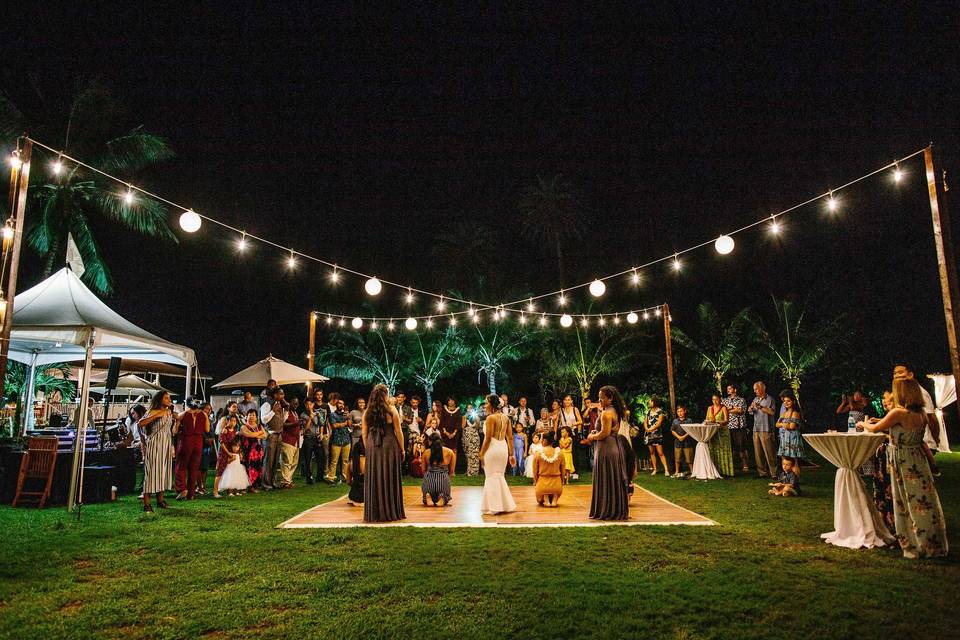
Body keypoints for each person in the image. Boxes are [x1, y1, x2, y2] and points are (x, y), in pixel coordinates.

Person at [859, 377, 948, 558]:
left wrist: (863, 423)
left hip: (902, 461)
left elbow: (874, 429)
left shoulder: (898, 413)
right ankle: (931, 542)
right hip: (917, 460)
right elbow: (903, 432)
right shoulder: (921, 414)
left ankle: (913, 544)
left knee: (905, 501)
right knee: (923, 499)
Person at [362, 384, 406, 523]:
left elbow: (364, 433)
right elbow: (398, 431)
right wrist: (403, 449)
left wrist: (368, 448)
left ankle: (374, 513)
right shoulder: (391, 410)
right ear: (385, 395)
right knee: (389, 475)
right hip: (389, 444)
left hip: (372, 445)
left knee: (375, 476)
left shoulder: (367, 412)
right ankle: (391, 511)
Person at [587, 385, 630, 521]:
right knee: (613, 478)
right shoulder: (615, 410)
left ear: (610, 398)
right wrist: (596, 432)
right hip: (613, 447)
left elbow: (604, 434)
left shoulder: (606, 413)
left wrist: (592, 436)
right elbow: (610, 430)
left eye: (602, 398)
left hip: (606, 449)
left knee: (606, 478)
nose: (599, 400)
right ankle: (615, 509)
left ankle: (607, 510)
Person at [893, 363, 942, 475]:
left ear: (910, 374)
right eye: (895, 373)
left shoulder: (919, 394)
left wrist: (936, 438)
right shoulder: (903, 394)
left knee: (917, 477)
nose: (896, 376)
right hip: (909, 444)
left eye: (900, 372)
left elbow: (931, 418)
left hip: (921, 444)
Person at [137, 391, 176, 512]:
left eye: (169, 398)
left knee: (163, 472)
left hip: (166, 444)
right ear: (160, 400)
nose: (169, 400)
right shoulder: (152, 412)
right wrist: (157, 415)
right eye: (166, 398)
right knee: (152, 472)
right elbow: (140, 423)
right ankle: (147, 504)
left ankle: (160, 500)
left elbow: (172, 428)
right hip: (154, 444)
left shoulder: (169, 412)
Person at [479, 394, 517, 515]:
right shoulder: (506, 418)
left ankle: (494, 507)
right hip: (503, 447)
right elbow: (510, 438)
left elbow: (488, 438)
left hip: (493, 448)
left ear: (493, 405)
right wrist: (511, 454)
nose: (485, 406)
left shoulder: (490, 418)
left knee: (490, 476)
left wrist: (481, 454)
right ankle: (504, 505)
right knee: (499, 475)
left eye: (486, 403)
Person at [175, 396, 209, 500]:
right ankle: (191, 493)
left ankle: (182, 489)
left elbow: (174, 431)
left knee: (181, 466)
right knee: (194, 468)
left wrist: (177, 424)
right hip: (198, 442)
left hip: (186, 441)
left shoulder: (182, 414)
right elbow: (207, 429)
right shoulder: (204, 414)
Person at [748, 382, 778, 478]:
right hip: (756, 429)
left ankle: (774, 473)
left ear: (762, 389)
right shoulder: (755, 399)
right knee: (758, 453)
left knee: (770, 452)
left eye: (756, 389)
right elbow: (751, 412)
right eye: (754, 389)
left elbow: (772, 412)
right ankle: (762, 473)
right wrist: (751, 409)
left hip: (766, 428)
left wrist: (760, 407)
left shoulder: (770, 399)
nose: (754, 391)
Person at [260, 388, 288, 490]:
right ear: (275, 394)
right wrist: (272, 411)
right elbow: (263, 420)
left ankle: (273, 482)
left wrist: (286, 411)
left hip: (279, 434)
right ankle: (266, 484)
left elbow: (282, 420)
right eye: (281, 394)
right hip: (270, 435)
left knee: (275, 460)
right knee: (268, 460)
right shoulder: (267, 404)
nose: (283, 396)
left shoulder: (279, 405)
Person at [421, 433, 455, 507]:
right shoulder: (450, 452)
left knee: (428, 489)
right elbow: (452, 472)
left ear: (430, 442)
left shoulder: (426, 452)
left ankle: (428, 495)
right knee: (443, 492)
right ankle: (442, 497)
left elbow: (423, 470)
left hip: (429, 481)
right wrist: (446, 483)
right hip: (443, 481)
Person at [533, 432, 566, 507]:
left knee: (539, 501)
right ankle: (554, 498)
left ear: (544, 441)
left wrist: (536, 482)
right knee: (555, 490)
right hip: (557, 485)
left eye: (541, 440)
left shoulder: (538, 454)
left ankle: (546, 497)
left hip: (542, 485)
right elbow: (563, 470)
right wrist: (562, 481)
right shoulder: (560, 453)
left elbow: (535, 472)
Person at [722, 384, 750, 473]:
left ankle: (745, 465)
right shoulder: (725, 400)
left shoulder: (741, 400)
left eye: (730, 389)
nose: (728, 390)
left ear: (735, 389)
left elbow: (741, 411)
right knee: (731, 448)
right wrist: (734, 409)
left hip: (739, 426)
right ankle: (731, 466)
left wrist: (729, 409)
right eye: (727, 389)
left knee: (742, 447)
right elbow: (723, 411)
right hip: (728, 426)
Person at [776, 390, 805, 473]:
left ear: (793, 401)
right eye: (784, 401)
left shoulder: (795, 413)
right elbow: (777, 424)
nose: (786, 403)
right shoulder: (785, 412)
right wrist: (783, 424)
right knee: (784, 461)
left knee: (794, 461)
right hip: (785, 439)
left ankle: (795, 481)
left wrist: (783, 424)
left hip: (793, 439)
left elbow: (791, 426)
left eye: (788, 401)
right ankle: (786, 479)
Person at [705, 393, 734, 476]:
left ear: (720, 399)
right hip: (712, 432)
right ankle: (714, 470)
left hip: (722, 432)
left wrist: (717, 422)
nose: (715, 401)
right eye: (713, 399)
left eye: (716, 399)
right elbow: (707, 419)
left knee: (723, 450)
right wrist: (709, 422)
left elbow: (726, 420)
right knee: (713, 450)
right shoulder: (709, 408)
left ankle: (725, 471)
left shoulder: (723, 408)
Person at [238, 408, 266, 492]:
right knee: (248, 467)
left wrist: (257, 434)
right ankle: (247, 486)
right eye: (249, 415)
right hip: (248, 450)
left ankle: (254, 485)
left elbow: (265, 435)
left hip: (257, 450)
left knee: (257, 467)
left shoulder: (259, 426)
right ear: (246, 416)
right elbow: (248, 435)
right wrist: (259, 433)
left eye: (253, 415)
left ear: (256, 417)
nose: (251, 417)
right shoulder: (244, 426)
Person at [557, 395, 584, 479]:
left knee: (574, 452)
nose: (567, 401)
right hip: (564, 432)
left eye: (569, 400)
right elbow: (558, 422)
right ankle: (565, 472)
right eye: (565, 400)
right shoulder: (561, 410)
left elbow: (580, 421)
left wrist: (574, 424)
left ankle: (575, 472)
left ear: (571, 401)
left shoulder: (575, 409)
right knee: (564, 452)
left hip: (573, 431)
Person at [326, 399, 352, 483]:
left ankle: (345, 476)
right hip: (336, 440)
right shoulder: (332, 414)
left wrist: (348, 418)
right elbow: (334, 425)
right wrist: (344, 424)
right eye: (340, 403)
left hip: (346, 439)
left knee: (345, 460)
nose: (341, 405)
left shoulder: (346, 415)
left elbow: (350, 425)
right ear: (336, 405)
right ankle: (331, 477)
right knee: (334, 460)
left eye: (343, 404)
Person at [214, 414, 240, 498]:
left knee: (231, 472)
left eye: (234, 421)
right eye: (231, 420)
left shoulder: (234, 430)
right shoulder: (224, 430)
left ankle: (232, 490)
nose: (233, 422)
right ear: (227, 421)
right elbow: (221, 443)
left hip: (232, 453)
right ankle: (215, 491)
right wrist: (228, 453)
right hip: (224, 454)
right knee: (220, 472)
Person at [299, 397, 324, 484]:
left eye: (310, 404)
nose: (309, 406)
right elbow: (304, 429)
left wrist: (321, 434)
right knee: (308, 459)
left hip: (317, 438)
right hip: (308, 438)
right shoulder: (303, 415)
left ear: (313, 404)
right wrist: (310, 418)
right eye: (307, 404)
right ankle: (309, 477)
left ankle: (319, 477)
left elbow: (321, 424)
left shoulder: (318, 413)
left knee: (320, 458)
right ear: (305, 405)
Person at [643, 396, 668, 475]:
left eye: (650, 401)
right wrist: (647, 429)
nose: (649, 402)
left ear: (654, 402)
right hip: (649, 435)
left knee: (660, 452)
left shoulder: (660, 411)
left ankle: (666, 470)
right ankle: (655, 469)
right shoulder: (648, 411)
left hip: (657, 434)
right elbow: (645, 421)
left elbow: (659, 422)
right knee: (652, 452)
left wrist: (651, 429)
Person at [439, 396, 464, 473]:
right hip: (445, 433)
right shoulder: (444, 409)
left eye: (452, 400)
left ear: (455, 401)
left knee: (454, 451)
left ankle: (452, 471)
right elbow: (442, 421)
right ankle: (444, 469)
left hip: (454, 434)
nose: (450, 402)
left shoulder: (458, 410)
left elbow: (458, 422)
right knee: (445, 450)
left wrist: (454, 433)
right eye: (449, 400)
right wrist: (445, 432)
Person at [671, 405, 694, 478]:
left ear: (685, 411)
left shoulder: (689, 420)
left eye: (681, 411)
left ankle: (692, 471)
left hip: (687, 442)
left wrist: (683, 437)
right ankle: (677, 471)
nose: (680, 413)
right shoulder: (675, 421)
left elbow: (691, 430)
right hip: (678, 442)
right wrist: (679, 437)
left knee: (689, 458)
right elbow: (672, 430)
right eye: (678, 411)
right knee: (677, 458)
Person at [197, 402, 215, 495]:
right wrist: (206, 439)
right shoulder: (199, 419)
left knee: (205, 467)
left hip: (208, 445)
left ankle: (203, 486)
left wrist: (211, 438)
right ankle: (199, 486)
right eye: (207, 409)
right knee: (199, 467)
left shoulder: (210, 419)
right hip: (201, 444)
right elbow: (200, 431)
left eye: (210, 409)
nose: (209, 411)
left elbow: (212, 431)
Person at [344, 437, 365, 506]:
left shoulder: (351, 464)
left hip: (354, 498)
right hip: (368, 498)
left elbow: (348, 482)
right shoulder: (371, 462)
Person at [463, 403, 482, 476]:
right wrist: (465, 418)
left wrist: (476, 418)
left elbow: (477, 427)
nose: (469, 409)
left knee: (475, 453)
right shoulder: (465, 416)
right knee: (468, 453)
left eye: (471, 408)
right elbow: (462, 426)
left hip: (474, 435)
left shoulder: (476, 417)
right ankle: (469, 471)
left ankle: (475, 472)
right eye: (468, 408)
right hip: (467, 435)